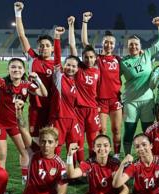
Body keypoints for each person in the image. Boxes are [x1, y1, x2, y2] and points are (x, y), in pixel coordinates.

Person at [0, 59, 47, 184]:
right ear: (8, 70)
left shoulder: (26, 84)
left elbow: (44, 93)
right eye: (13, 67)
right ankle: (1, 184)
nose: (16, 70)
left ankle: (25, 179)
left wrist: (38, 79)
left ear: (23, 70)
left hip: (15, 123)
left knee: (25, 151)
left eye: (19, 67)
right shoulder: (1, 82)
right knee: (2, 156)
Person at [120, 17, 159, 154]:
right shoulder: (123, 62)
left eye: (136, 44)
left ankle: (149, 157)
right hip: (130, 102)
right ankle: (127, 157)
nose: (133, 47)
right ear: (127, 47)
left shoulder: (147, 54)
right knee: (129, 131)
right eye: (131, 45)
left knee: (148, 132)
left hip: (147, 101)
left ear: (140, 46)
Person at [81, 12, 123, 158]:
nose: (109, 45)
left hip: (115, 100)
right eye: (106, 42)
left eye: (111, 43)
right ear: (102, 43)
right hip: (100, 101)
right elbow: (85, 42)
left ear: (115, 44)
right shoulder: (97, 58)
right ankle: (102, 155)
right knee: (102, 130)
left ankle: (116, 156)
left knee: (117, 129)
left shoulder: (118, 59)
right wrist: (85, 22)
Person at [14, 2, 55, 141]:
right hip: (35, 108)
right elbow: (22, 36)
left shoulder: (57, 65)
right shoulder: (32, 58)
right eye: (41, 45)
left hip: (52, 108)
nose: (44, 48)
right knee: (35, 140)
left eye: (47, 46)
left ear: (53, 48)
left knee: (50, 140)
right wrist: (18, 13)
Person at [67, 16, 102, 158]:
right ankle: (81, 166)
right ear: (82, 58)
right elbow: (73, 46)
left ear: (96, 58)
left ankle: (93, 165)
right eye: (86, 57)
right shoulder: (78, 68)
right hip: (78, 110)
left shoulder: (98, 70)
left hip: (93, 110)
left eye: (91, 57)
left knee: (93, 140)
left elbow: (98, 90)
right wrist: (71, 25)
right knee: (79, 140)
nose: (89, 59)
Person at [51, 26, 84, 159]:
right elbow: (57, 57)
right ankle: (55, 173)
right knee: (56, 148)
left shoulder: (78, 81)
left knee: (73, 146)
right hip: (58, 118)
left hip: (73, 119)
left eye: (73, 66)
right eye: (68, 65)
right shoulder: (59, 76)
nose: (70, 68)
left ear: (77, 68)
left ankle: (74, 173)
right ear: (64, 66)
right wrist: (57, 37)